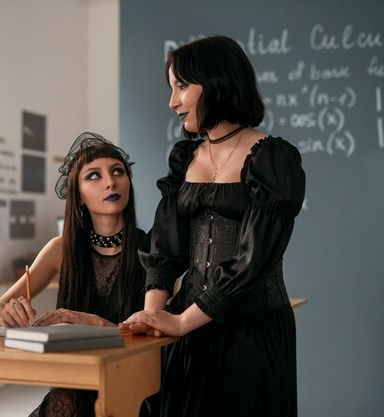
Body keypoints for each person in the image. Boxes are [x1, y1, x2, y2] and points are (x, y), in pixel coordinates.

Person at [120, 35, 306, 417]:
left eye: (182, 86)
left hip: (250, 333)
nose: (172, 102)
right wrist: (155, 318)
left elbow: (253, 262)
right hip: (186, 331)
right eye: (171, 88)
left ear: (218, 80)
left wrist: (180, 321)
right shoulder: (183, 156)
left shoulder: (273, 158)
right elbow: (164, 248)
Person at [0, 132, 149, 417]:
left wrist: (94, 322)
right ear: (79, 196)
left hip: (137, 382)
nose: (110, 181)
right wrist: (7, 314)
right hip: (75, 382)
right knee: (66, 403)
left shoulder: (153, 249)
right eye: (93, 176)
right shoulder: (60, 250)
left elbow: (158, 336)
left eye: (117, 171)